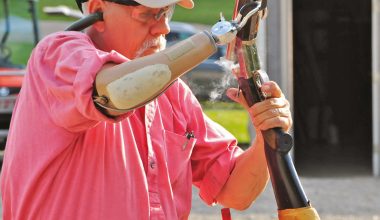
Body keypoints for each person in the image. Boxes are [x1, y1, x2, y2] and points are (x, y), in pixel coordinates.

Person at [0, 0, 292, 219]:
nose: (163, 27)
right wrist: (212, 39)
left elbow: (235, 191)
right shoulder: (58, 53)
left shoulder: (173, 93)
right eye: (148, 14)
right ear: (97, 9)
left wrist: (266, 137)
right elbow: (116, 93)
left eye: (167, 12)